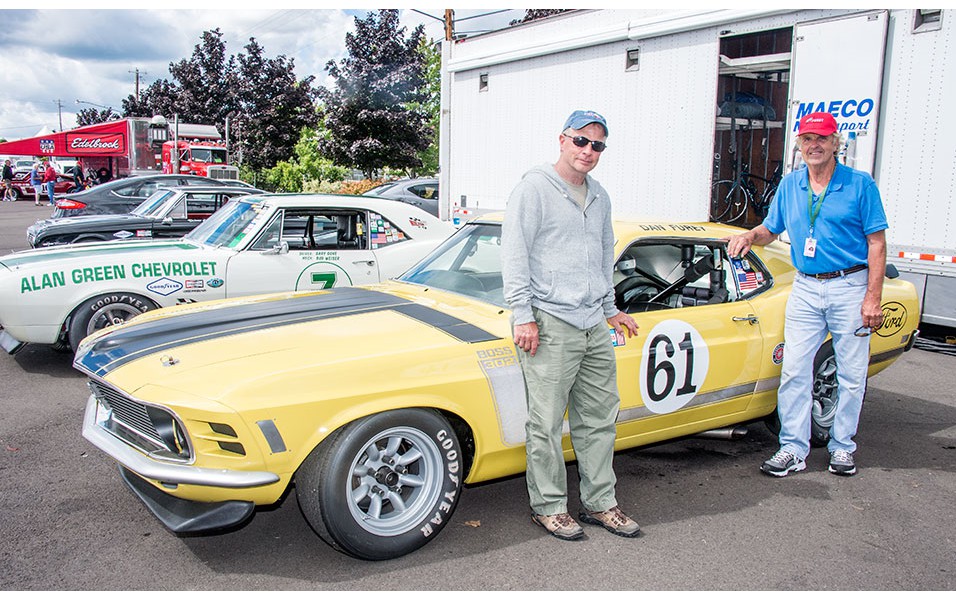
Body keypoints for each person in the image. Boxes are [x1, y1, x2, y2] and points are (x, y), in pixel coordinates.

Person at [502, 110, 641, 541]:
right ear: (562, 140)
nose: (588, 151)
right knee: (545, 422)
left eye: (597, 145)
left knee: (599, 418)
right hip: (549, 320)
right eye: (581, 141)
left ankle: (601, 502)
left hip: (592, 323)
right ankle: (549, 507)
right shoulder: (534, 189)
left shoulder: (599, 196)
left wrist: (610, 308)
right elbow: (514, 254)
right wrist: (523, 315)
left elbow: (603, 257)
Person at [727, 111, 888, 478]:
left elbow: (876, 243)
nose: (814, 146)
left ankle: (843, 447)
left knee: (851, 373)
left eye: (822, 139)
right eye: (807, 140)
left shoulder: (859, 184)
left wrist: (872, 298)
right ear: (799, 146)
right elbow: (771, 229)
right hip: (806, 286)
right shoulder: (791, 185)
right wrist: (750, 236)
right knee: (795, 369)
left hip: (849, 285)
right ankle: (792, 448)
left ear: (835, 144)